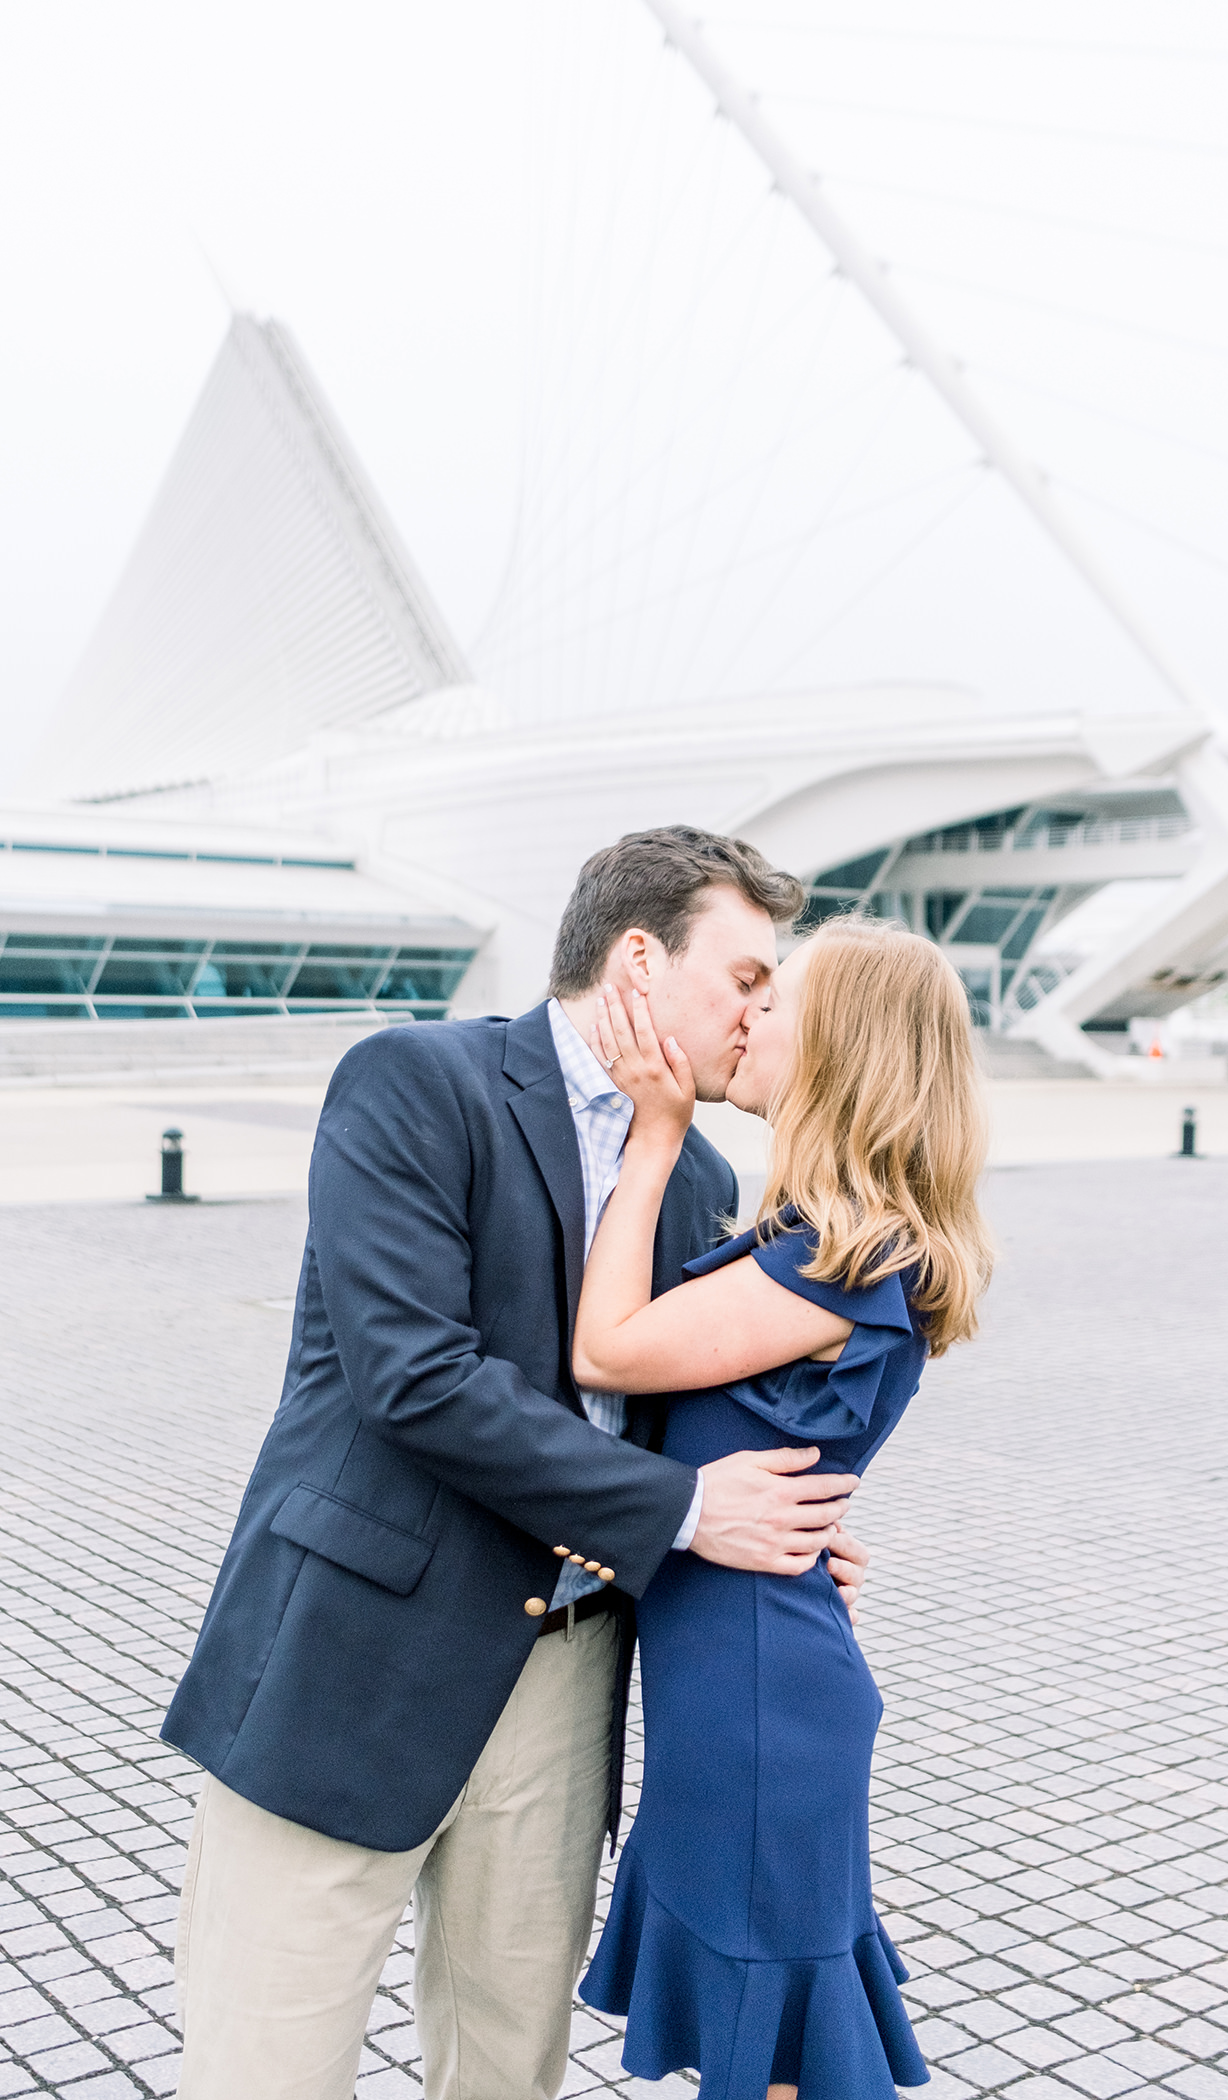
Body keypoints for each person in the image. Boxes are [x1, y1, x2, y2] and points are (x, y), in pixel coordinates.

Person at [161, 825, 872, 2100]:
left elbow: (677, 1412)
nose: (765, 1014)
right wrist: (689, 1508)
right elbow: (413, 1381)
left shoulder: (702, 1175)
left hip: (565, 1672)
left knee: (505, 2072)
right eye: (748, 979)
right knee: (263, 2066)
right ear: (640, 962)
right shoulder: (414, 1083)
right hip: (350, 1662)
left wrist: (784, 1526)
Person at [571, 917, 993, 2100]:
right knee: (767, 2049)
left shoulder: (837, 1260)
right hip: (750, 1689)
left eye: (777, 999)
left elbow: (604, 1349)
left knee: (775, 2055)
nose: (746, 1016)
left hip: (757, 1710)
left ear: (842, 1050)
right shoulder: (831, 1246)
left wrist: (656, 1134)